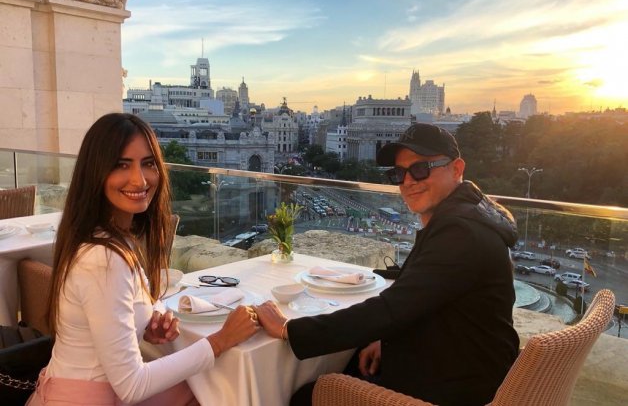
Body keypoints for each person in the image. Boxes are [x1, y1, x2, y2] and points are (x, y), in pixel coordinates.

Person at [255, 123, 520, 406]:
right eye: (399, 173)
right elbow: (432, 303)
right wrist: (388, 341)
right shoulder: (465, 216)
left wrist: (289, 330)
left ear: (456, 169)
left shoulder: (460, 232)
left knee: (305, 397)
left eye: (420, 169)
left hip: (454, 389)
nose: (408, 181)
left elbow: (390, 309)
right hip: (466, 367)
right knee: (352, 362)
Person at [28, 113, 260, 405]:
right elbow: (132, 386)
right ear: (95, 173)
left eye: (148, 163)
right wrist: (220, 340)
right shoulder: (104, 259)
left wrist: (147, 321)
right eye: (121, 165)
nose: (139, 179)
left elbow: (109, 315)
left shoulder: (107, 237)